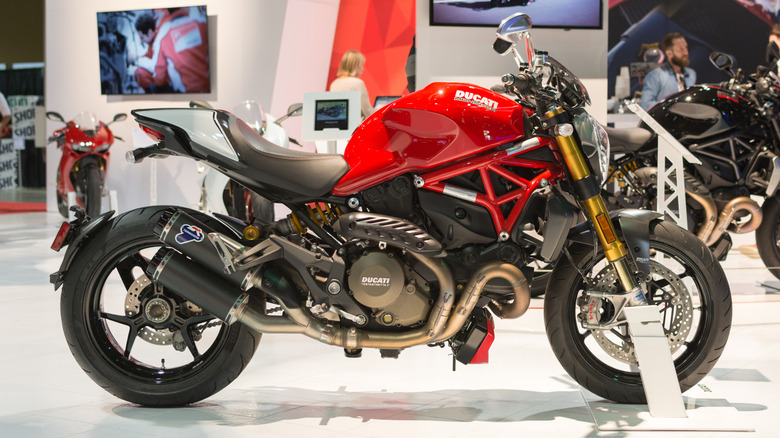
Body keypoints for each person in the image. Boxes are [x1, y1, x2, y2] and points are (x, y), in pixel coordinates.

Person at [640, 33, 696, 110]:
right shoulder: (655, 75)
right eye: (681, 49)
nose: (686, 53)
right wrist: (671, 107)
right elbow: (645, 105)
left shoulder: (691, 74)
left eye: (686, 48)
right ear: (669, 53)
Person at [329, 50, 373, 118]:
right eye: (361, 65)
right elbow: (368, 113)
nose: (362, 69)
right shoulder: (357, 83)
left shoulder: (334, 84)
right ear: (355, 66)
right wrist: (380, 107)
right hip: (356, 125)